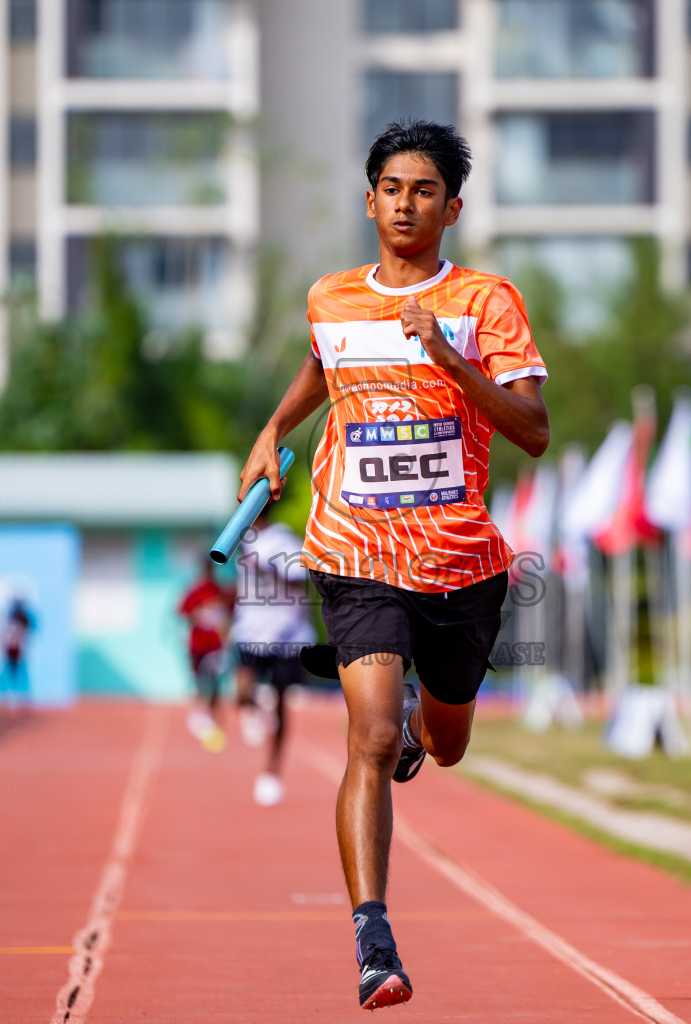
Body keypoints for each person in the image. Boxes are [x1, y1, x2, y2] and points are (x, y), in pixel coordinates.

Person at [236, 120, 548, 1011]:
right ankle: (373, 938)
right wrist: (271, 431)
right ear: (369, 197)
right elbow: (319, 366)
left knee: (443, 745)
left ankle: (425, 723)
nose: (404, 204)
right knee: (367, 736)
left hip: (459, 564)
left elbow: (533, 431)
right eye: (390, 188)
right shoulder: (332, 297)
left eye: (423, 191)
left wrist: (448, 357)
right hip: (355, 554)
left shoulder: (487, 301)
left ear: (452, 207)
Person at [231, 507, 316, 807]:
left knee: (281, 703)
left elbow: (300, 576)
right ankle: (254, 704)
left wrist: (266, 567)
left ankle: (271, 771)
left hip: (286, 634)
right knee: (241, 693)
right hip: (252, 630)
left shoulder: (282, 539)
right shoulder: (241, 540)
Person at [178, 560, 233, 752]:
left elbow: (230, 614)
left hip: (216, 646)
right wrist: (198, 612)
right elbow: (182, 611)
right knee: (201, 682)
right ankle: (198, 716)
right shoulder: (196, 591)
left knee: (216, 683)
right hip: (198, 645)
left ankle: (213, 722)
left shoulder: (220, 591)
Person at [0, 596, 35, 712]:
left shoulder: (23, 619)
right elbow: (4, 634)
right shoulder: (12, 618)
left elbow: (24, 635)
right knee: (7, 675)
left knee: (20, 675)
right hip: (10, 651)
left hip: (18, 651)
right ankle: (4, 698)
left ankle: (22, 700)